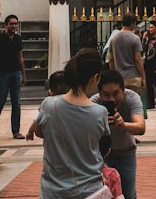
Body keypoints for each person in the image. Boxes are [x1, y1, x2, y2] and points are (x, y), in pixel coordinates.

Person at [31, 50, 111, 199]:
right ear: (95, 78)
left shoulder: (49, 105)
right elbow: (103, 147)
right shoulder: (100, 112)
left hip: (53, 191)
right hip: (90, 191)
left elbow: (39, 132)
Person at [92, 68, 145, 199]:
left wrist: (123, 125)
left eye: (116, 93)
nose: (111, 99)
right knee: (101, 194)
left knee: (128, 194)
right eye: (106, 94)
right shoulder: (93, 103)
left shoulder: (132, 98)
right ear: (99, 93)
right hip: (101, 157)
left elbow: (141, 127)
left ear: (123, 90)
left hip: (126, 153)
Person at [0, 13, 26, 140]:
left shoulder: (18, 39)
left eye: (15, 24)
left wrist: (23, 74)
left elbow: (20, 57)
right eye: (11, 23)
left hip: (16, 73)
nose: (14, 26)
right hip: (3, 73)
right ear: (6, 25)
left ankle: (16, 130)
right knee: (1, 101)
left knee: (17, 102)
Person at [108, 13, 146, 96]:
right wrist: (143, 76)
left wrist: (113, 73)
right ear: (132, 23)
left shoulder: (113, 39)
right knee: (134, 103)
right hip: (134, 76)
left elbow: (111, 59)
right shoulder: (135, 38)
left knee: (121, 103)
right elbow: (138, 60)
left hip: (120, 76)